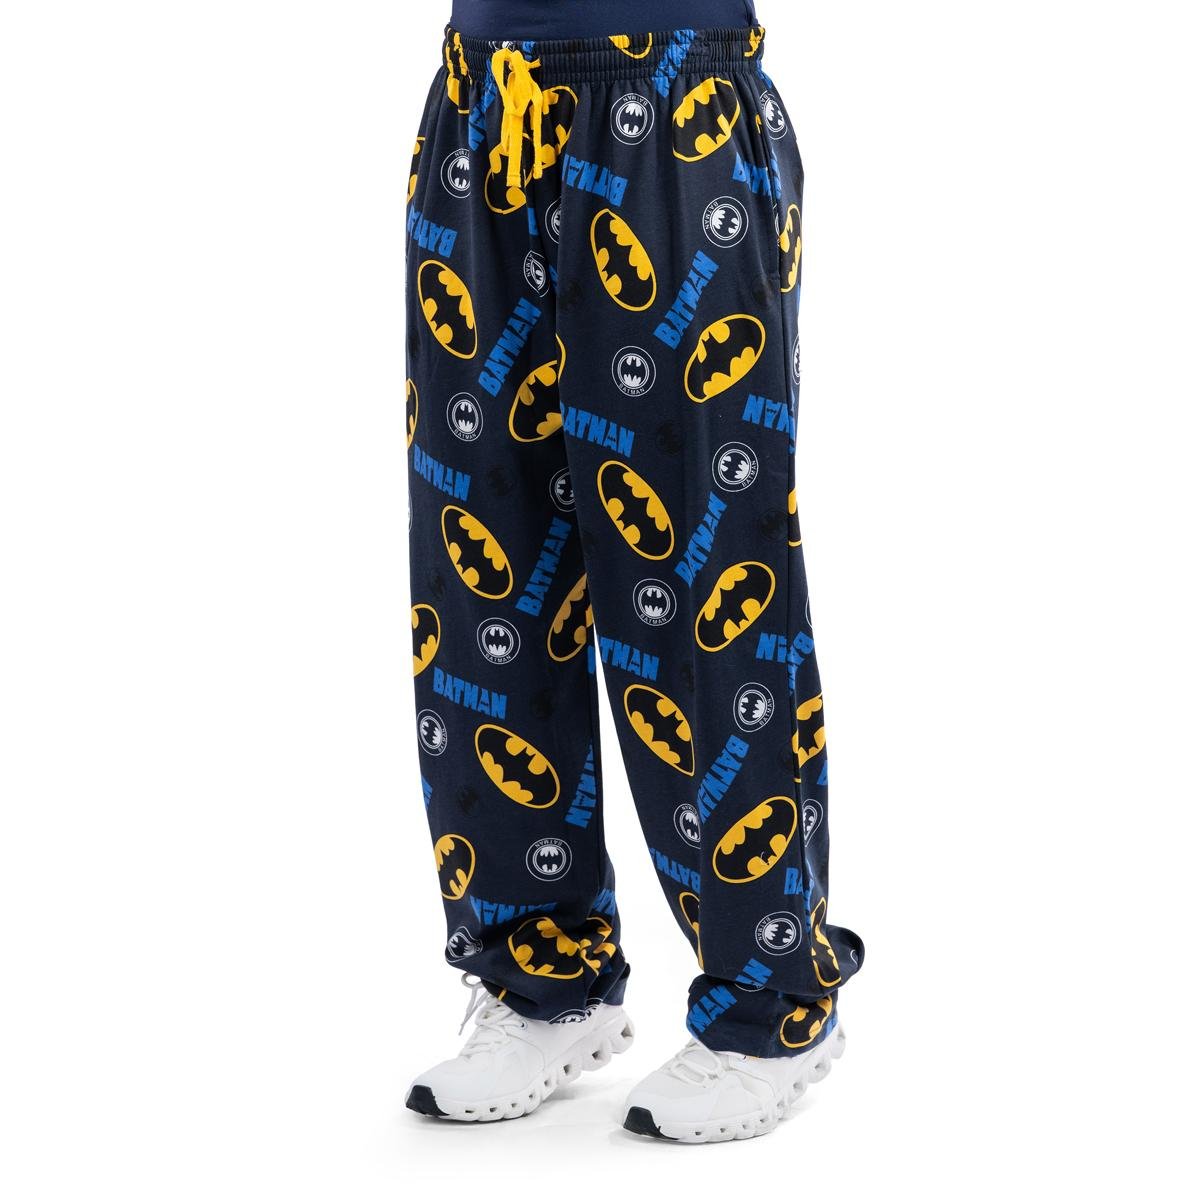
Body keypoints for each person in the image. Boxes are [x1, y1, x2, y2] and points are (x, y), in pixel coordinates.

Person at [403, 0, 864, 1142]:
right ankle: (543, 976)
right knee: (487, 567)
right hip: (481, 103)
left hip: (671, 100)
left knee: (705, 578)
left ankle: (771, 1005)